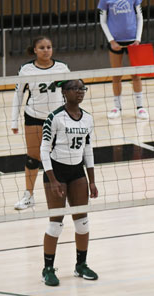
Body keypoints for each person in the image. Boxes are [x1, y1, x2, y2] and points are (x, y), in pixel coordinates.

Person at [39, 79, 98, 286]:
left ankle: (81, 265)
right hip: (56, 172)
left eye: (82, 88)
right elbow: (43, 150)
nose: (79, 92)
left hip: (77, 172)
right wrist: (52, 179)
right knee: (55, 223)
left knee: (82, 222)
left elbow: (88, 150)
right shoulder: (54, 118)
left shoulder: (88, 118)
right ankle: (47, 269)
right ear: (64, 92)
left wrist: (92, 181)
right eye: (74, 88)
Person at [11, 36, 70, 210]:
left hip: (58, 118)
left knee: (61, 157)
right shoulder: (26, 69)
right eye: (42, 48)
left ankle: (63, 193)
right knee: (33, 158)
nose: (46, 50)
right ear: (35, 50)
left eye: (49, 47)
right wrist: (14, 121)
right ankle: (28, 196)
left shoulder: (62, 67)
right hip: (34, 117)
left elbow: (70, 91)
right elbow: (18, 95)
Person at [98, 0, 148, 120]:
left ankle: (140, 107)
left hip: (133, 41)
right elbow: (103, 21)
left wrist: (138, 38)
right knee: (116, 75)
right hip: (116, 42)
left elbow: (140, 17)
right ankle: (117, 107)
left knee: (136, 75)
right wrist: (111, 40)